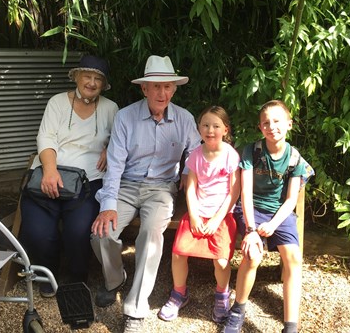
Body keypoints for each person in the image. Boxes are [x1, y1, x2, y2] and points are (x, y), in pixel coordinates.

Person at [90, 55, 201, 333]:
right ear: (144, 89)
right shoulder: (125, 117)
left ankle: (136, 310)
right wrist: (109, 204)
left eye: (167, 87)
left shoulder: (185, 119)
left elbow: (197, 151)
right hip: (126, 184)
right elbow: (114, 164)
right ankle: (115, 280)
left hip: (161, 188)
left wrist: (188, 170)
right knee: (101, 234)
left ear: (174, 89)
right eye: (155, 86)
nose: (162, 93)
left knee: (151, 235)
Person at [19, 55, 119, 297]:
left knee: (79, 230)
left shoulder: (110, 108)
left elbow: (121, 138)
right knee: (38, 230)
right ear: (76, 76)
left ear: (104, 84)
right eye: (87, 76)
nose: (92, 83)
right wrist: (50, 171)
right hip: (49, 173)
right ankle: (47, 273)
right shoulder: (57, 103)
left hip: (89, 180)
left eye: (98, 79)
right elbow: (46, 137)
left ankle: (77, 276)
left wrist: (110, 147)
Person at [222, 100, 315, 333]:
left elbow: (291, 199)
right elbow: (245, 192)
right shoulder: (252, 151)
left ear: (289, 124)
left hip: (279, 214)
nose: (272, 126)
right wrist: (252, 229)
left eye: (277, 121)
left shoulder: (294, 157)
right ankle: (238, 310)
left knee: (293, 258)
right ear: (260, 127)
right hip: (251, 210)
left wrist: (273, 224)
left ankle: (290, 325)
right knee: (253, 255)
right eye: (266, 122)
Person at [158, 106, 240, 323]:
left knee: (221, 261)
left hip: (221, 216)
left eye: (216, 126)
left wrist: (216, 219)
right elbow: (191, 187)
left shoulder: (230, 155)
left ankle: (222, 295)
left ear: (225, 129)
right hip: (198, 212)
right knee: (178, 253)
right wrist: (193, 215)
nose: (210, 130)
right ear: (198, 129)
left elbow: (234, 192)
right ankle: (179, 292)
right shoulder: (196, 155)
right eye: (205, 125)